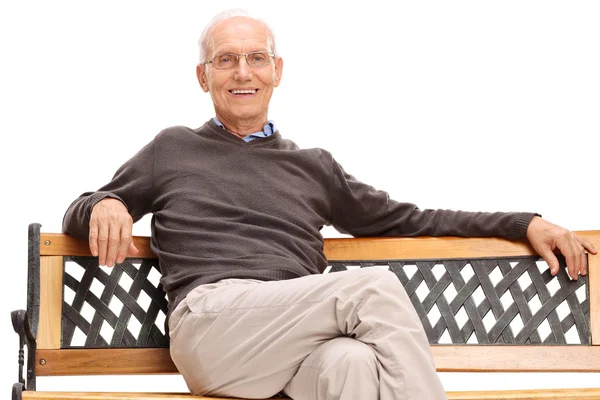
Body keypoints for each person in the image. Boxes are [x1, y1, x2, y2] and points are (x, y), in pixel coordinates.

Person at [62, 9, 596, 400]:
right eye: (226, 60)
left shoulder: (314, 166)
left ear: (277, 70)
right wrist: (106, 201)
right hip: (214, 328)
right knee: (373, 287)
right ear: (204, 77)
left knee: (352, 364)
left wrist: (522, 221)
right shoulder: (172, 147)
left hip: (297, 335)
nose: (242, 72)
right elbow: (80, 210)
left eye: (256, 58)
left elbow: (411, 220)